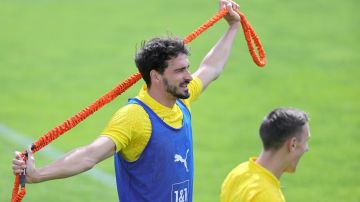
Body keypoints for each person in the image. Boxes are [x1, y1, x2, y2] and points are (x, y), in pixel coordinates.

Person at [12, 1, 241, 201]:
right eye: (180, 70)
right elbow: (89, 155)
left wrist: (233, 26)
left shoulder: (181, 100)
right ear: (156, 76)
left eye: (187, 68)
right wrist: (36, 174)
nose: (189, 77)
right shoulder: (135, 117)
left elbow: (211, 67)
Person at [220, 108, 311, 202]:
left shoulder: (237, 173)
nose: (306, 148)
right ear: (293, 144)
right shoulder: (267, 196)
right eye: (306, 141)